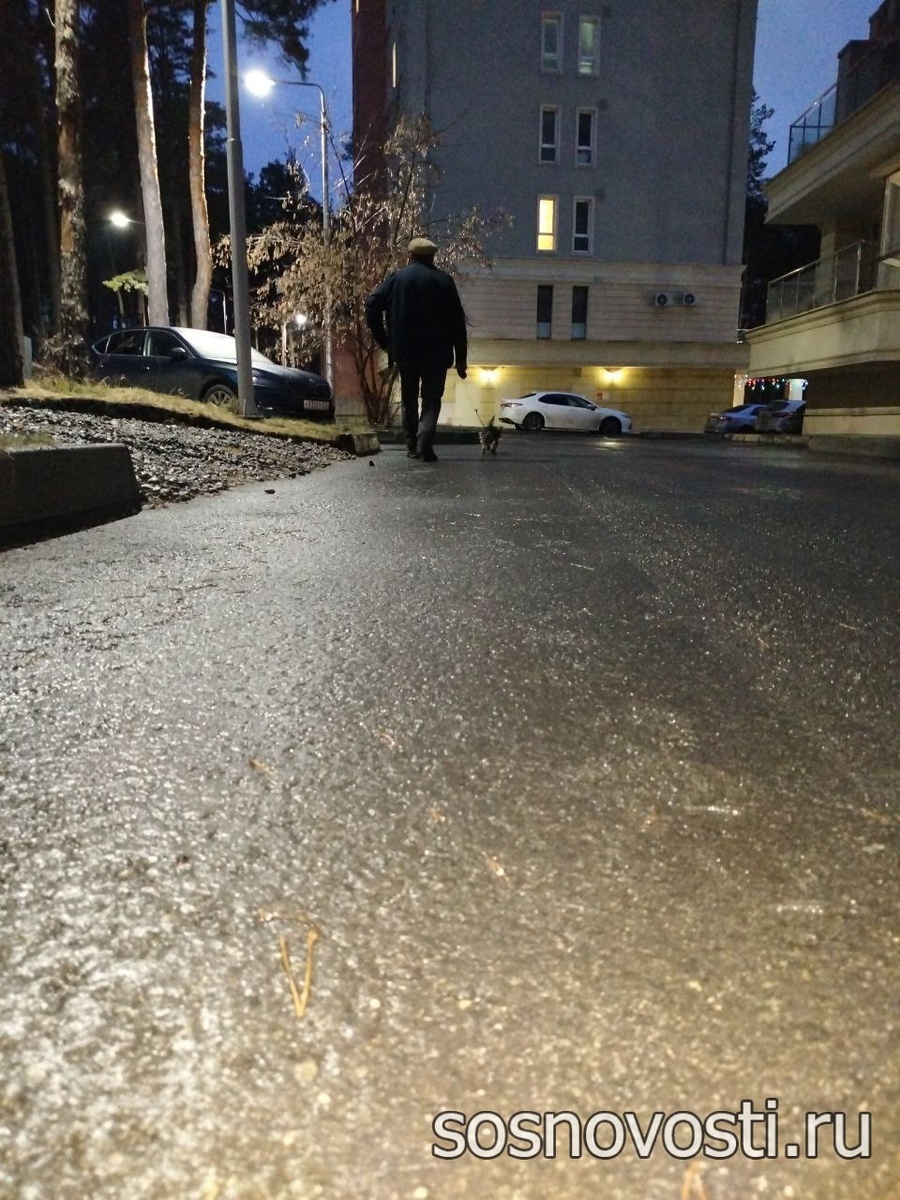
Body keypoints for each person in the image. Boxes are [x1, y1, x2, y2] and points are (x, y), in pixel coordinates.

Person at [365, 236, 468, 462]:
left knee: (409, 399)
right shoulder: (444, 281)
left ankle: (412, 445)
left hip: (405, 351)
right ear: (432, 257)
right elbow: (457, 321)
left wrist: (385, 341)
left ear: (410, 255)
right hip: (437, 354)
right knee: (432, 399)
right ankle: (425, 442)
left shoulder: (398, 278)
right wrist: (461, 358)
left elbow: (372, 306)